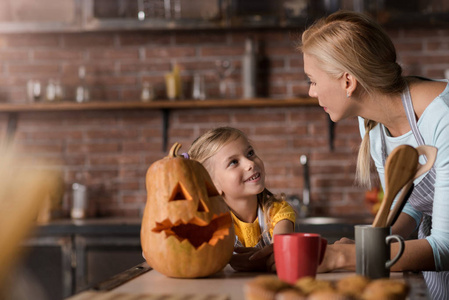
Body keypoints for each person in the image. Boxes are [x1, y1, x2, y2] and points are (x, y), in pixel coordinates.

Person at [296, 10, 449, 299]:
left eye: (312, 80)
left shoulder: (443, 118)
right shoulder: (372, 122)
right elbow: (413, 206)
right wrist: (360, 246)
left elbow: (446, 246)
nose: (311, 92)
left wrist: (344, 257)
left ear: (347, 82)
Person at [187, 126, 296, 272]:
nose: (250, 164)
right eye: (233, 162)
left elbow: (281, 253)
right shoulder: (210, 221)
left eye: (250, 153)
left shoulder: (278, 212)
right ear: (212, 185)